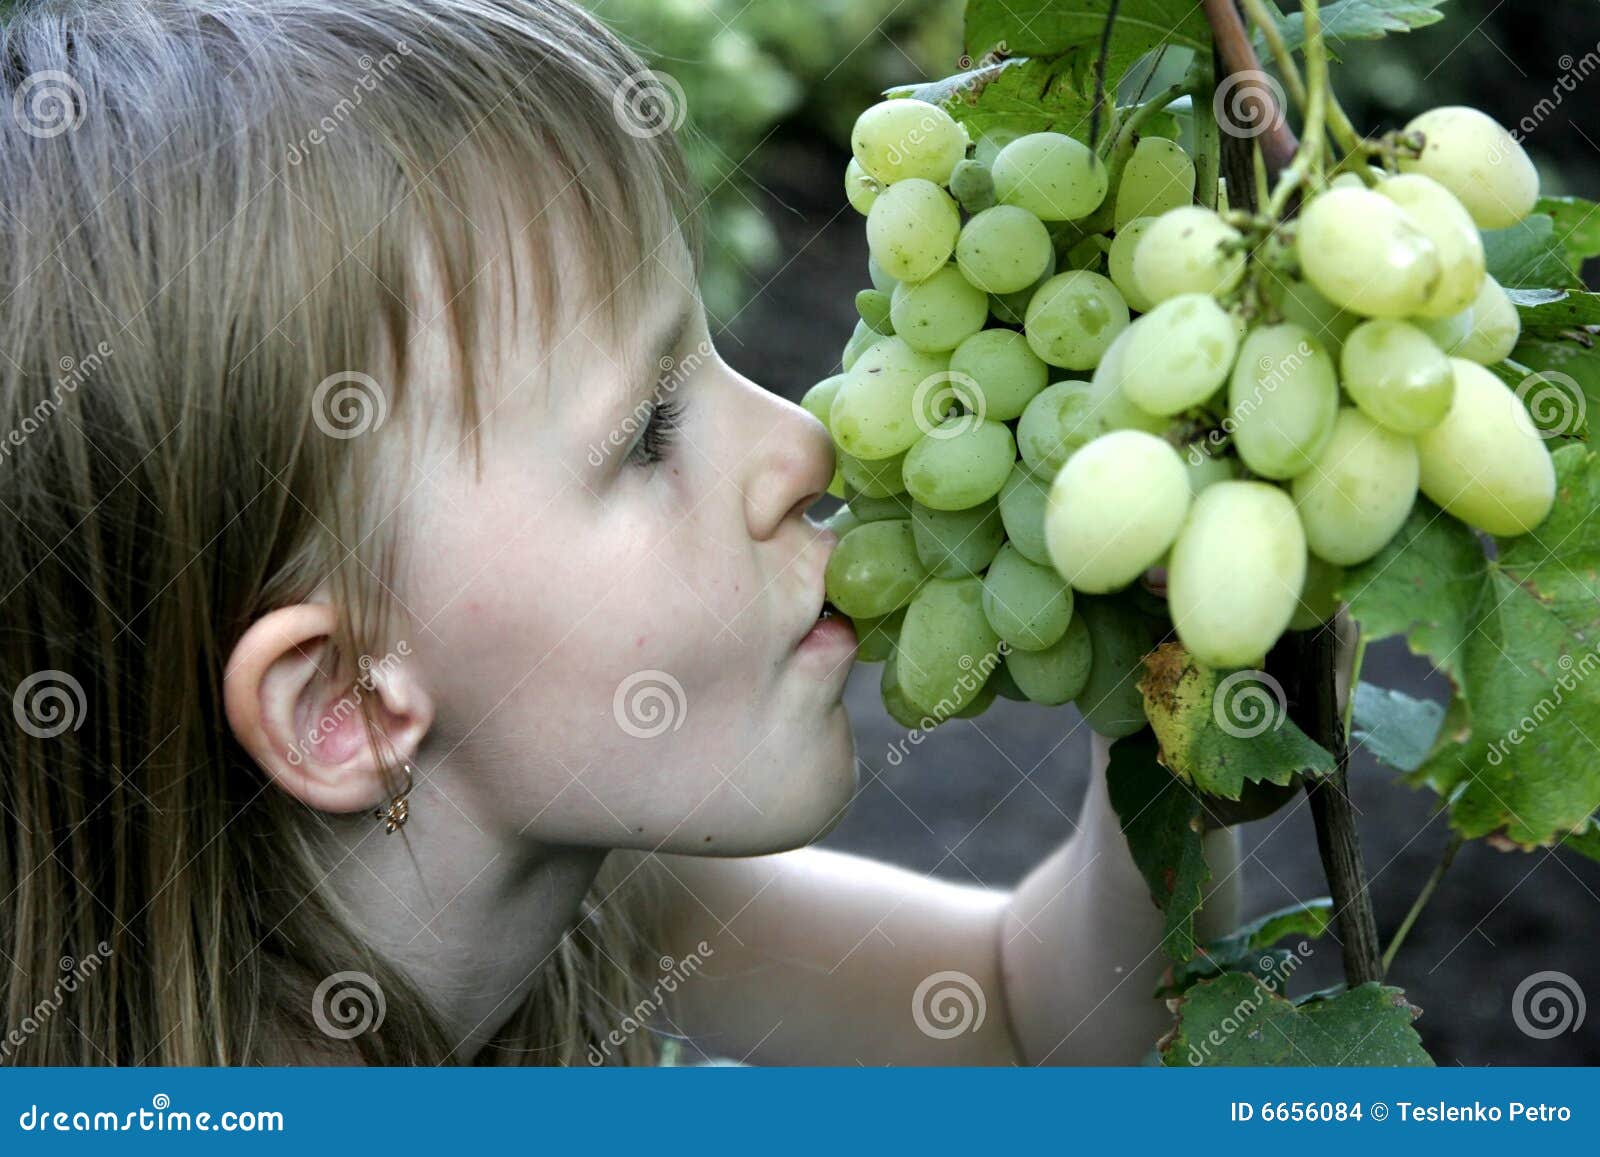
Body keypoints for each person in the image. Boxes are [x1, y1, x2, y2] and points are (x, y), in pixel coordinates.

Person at [0, 0, 1239, 1066]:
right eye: (648, 431)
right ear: (349, 703)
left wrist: (1180, 686)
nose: (803, 441)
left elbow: (1038, 1027)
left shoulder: (605, 893)